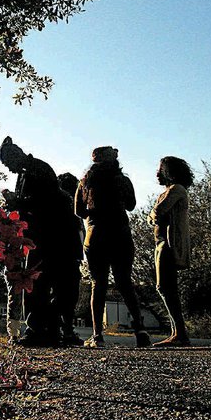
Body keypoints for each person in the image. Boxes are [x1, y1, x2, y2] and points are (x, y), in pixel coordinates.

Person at [75, 146, 151, 348]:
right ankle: (141, 332)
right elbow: (132, 205)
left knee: (97, 283)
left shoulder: (85, 182)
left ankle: (97, 335)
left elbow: (79, 211)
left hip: (96, 235)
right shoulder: (122, 181)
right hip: (120, 234)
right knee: (125, 282)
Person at [0, 136, 60, 346]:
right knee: (36, 282)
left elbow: (48, 201)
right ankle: (45, 328)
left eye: (8, 164)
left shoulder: (39, 169)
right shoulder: (26, 173)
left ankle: (39, 329)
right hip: (32, 234)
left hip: (45, 233)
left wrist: (20, 202)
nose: (9, 170)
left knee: (37, 281)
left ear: (16, 157)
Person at [148, 156, 193, 347]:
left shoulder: (177, 190)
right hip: (161, 244)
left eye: (161, 169)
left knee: (166, 287)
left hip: (169, 244)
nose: (157, 173)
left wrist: (153, 215)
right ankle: (177, 332)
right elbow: (154, 217)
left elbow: (158, 212)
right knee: (166, 287)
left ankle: (180, 334)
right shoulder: (169, 191)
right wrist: (153, 216)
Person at [54, 172, 85, 346]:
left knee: (65, 294)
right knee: (67, 294)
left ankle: (63, 328)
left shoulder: (69, 211)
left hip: (70, 256)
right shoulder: (69, 210)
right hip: (68, 256)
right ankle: (65, 329)